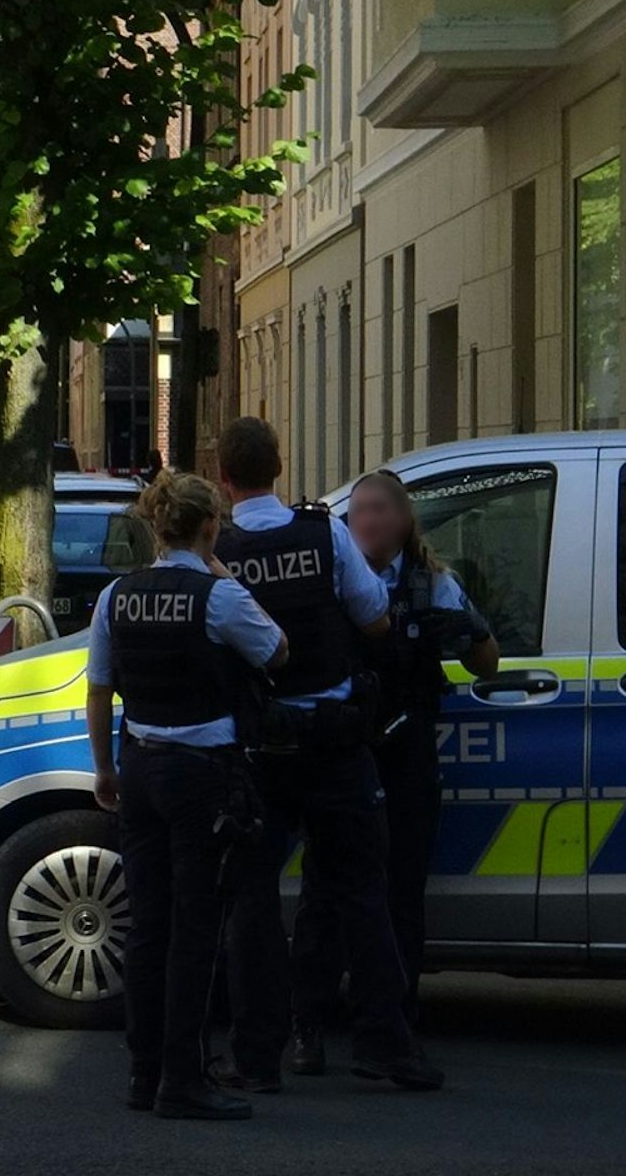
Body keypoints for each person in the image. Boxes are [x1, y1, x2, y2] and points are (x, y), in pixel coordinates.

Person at [212, 418, 444, 1092]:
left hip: (257, 751)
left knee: (253, 904)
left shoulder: (219, 551)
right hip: (337, 744)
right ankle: (386, 1044)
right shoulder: (324, 533)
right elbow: (374, 617)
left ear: (225, 478)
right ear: (280, 465)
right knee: (364, 894)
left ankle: (256, 1058)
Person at [87, 471, 288, 1121]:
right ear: (209, 528)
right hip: (201, 773)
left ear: (154, 525)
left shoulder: (116, 595)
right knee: (194, 929)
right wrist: (219, 571)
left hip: (138, 765)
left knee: (147, 926)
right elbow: (278, 651)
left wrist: (105, 771)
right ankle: (183, 1076)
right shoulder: (218, 597)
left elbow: (99, 687)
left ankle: (143, 1072)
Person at [287, 469, 500, 1070]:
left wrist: (469, 631)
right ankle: (308, 1027)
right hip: (343, 754)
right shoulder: (327, 581)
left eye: (380, 510)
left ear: (406, 521)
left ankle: (393, 1025)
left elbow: (488, 664)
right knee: (323, 893)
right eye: (358, 512)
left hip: (406, 752)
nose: (368, 521)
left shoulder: (434, 584)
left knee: (402, 894)